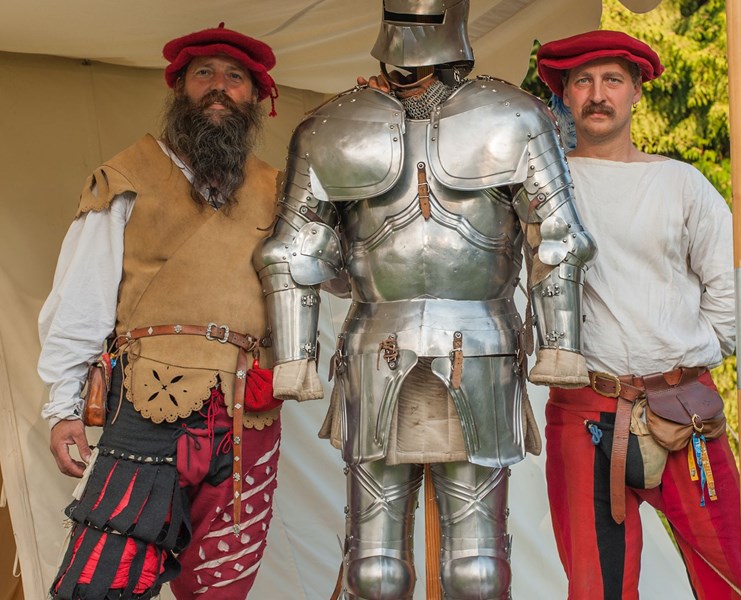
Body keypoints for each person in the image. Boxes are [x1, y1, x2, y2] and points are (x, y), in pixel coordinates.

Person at [254, 1, 596, 597]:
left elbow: (559, 238)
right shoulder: (333, 126)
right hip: (379, 349)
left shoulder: (512, 116)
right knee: (373, 569)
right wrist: (293, 354)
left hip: (479, 347)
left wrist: (562, 346)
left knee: (475, 570)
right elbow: (293, 252)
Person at [38, 23, 283, 600]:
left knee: (221, 588)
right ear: (179, 89)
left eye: (235, 77)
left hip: (249, 417)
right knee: (101, 583)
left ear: (255, 98)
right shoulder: (129, 175)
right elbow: (80, 300)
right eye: (204, 74)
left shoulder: (281, 189)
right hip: (148, 404)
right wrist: (62, 406)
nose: (219, 87)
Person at [536, 30, 741, 599]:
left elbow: (736, 286)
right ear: (565, 95)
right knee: (598, 590)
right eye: (583, 82)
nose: (598, 94)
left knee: (737, 580)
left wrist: (690, 359)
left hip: (684, 408)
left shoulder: (680, 184)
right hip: (583, 410)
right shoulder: (542, 190)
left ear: (637, 91)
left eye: (612, 80)